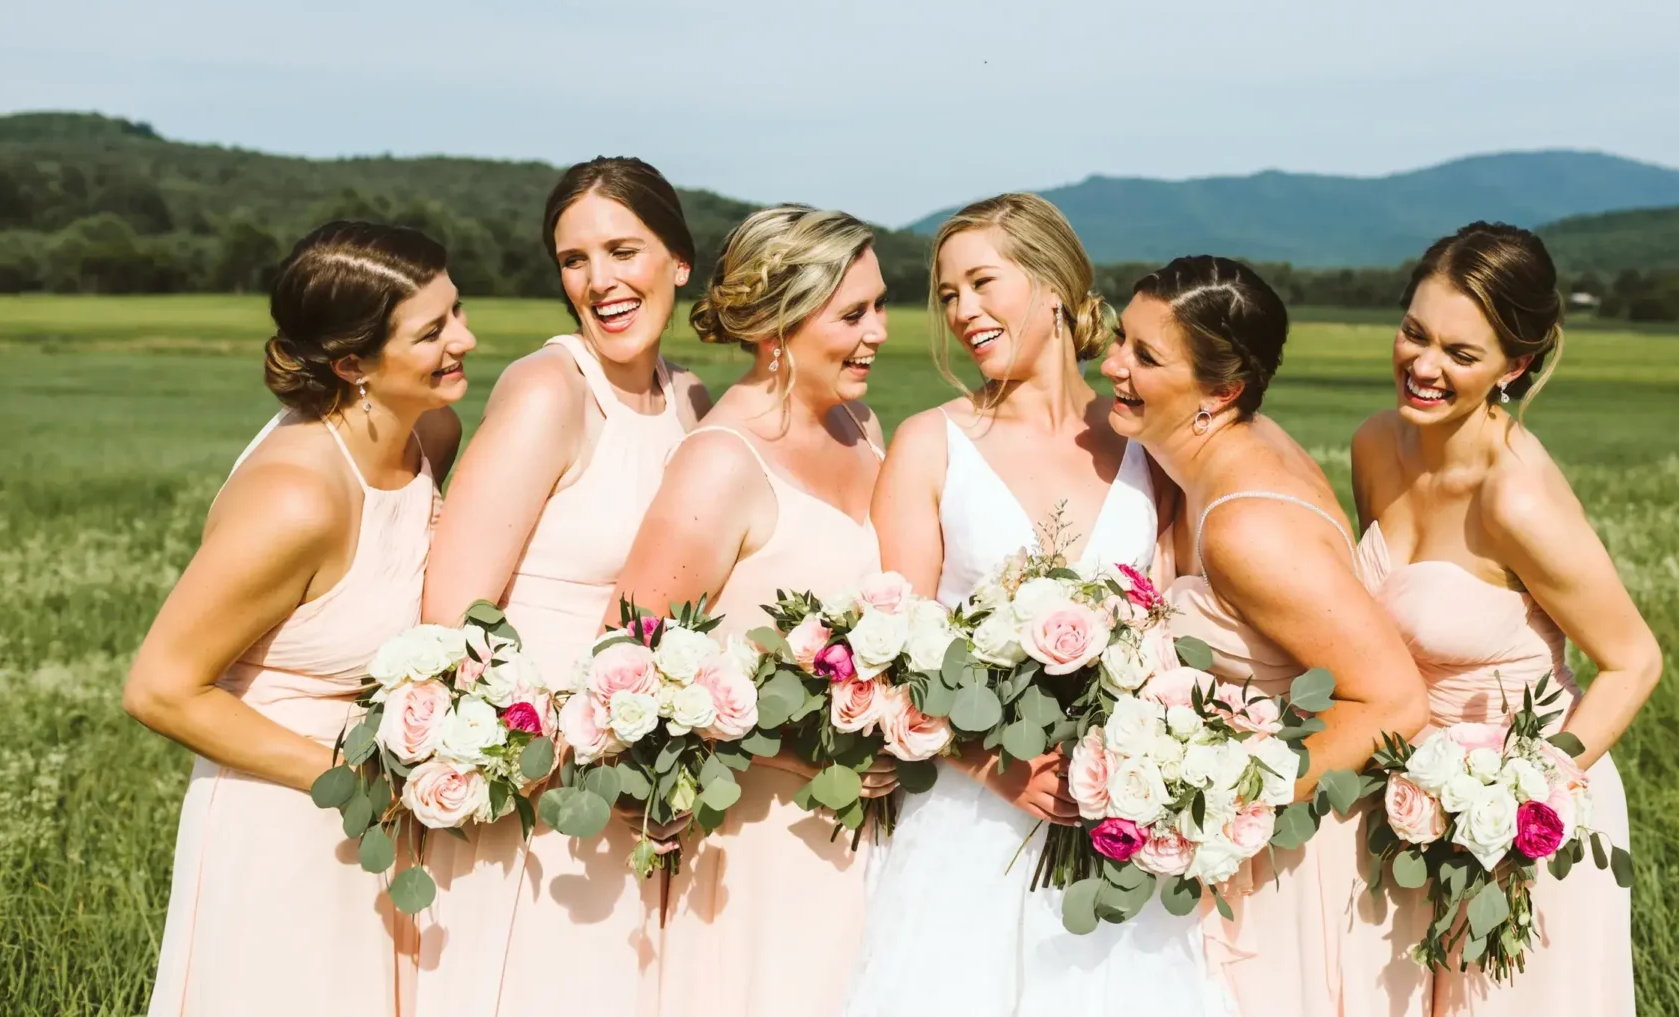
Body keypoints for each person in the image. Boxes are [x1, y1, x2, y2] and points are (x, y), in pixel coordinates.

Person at [844, 193, 1226, 1017]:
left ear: (1053, 285)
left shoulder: (1143, 444)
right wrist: (998, 766)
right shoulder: (930, 442)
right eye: (948, 295)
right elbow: (893, 656)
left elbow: (1183, 634)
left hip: (1116, 827)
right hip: (968, 823)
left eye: (983, 282)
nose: (964, 312)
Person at [125, 221, 474, 1017]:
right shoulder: (297, 497)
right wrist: (352, 782)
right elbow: (159, 688)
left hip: (391, 815)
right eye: (434, 330)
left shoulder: (432, 432)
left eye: (457, 309)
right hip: (282, 820)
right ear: (352, 364)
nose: (467, 338)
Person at [414, 159, 710, 1017]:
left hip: (645, 797)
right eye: (574, 260)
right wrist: (559, 770)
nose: (599, 281)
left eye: (623, 249)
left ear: (680, 260)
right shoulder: (551, 389)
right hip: (538, 801)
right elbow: (450, 624)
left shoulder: (691, 397)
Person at [1103, 254, 1432, 1016]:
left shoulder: (1250, 527)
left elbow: (1394, 699)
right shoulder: (1202, 451)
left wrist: (1220, 802)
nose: (1113, 363)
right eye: (1122, 337)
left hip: (1292, 853)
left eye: (1145, 356)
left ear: (1220, 391)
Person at [1351, 222, 1660, 1016]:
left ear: (1514, 366)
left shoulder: (1516, 497)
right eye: (1415, 333)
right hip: (1411, 803)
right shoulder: (1376, 445)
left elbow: (1633, 661)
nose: (1422, 365)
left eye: (1461, 353)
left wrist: (1526, 796)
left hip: (1523, 820)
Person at [610, 204, 896, 1017]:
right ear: (777, 323)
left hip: (880, 824)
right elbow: (630, 669)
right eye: (853, 313)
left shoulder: (862, 426)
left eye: (879, 304)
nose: (878, 330)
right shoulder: (720, 464)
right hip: (768, 840)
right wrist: (800, 750)